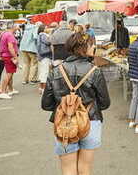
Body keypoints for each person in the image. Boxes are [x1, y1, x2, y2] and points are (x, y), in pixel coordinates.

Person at [41, 33, 110, 175]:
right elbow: (104, 103)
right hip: (90, 121)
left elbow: (46, 104)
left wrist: (65, 106)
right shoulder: (95, 71)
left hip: (64, 123)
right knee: (85, 168)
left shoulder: (55, 71)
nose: (94, 47)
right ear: (84, 48)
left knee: (68, 169)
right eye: (92, 44)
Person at [0, 24, 20, 99]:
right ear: (13, 27)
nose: (17, 28)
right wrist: (15, 57)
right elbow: (10, 47)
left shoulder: (4, 33)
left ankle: (10, 89)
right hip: (9, 56)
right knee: (9, 74)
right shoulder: (10, 35)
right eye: (16, 26)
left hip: (6, 55)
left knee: (10, 73)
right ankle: (3, 92)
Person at [37, 24, 53, 95]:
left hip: (42, 56)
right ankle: (44, 89)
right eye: (47, 27)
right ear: (43, 29)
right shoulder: (43, 35)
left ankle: (41, 88)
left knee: (43, 71)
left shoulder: (40, 35)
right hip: (45, 55)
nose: (48, 28)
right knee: (45, 72)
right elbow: (48, 42)